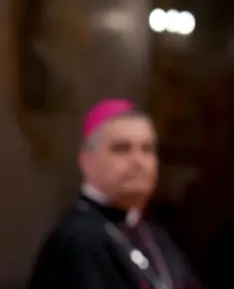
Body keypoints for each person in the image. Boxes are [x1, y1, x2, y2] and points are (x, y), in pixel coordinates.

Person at [28, 99, 198, 289]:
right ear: (86, 160)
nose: (138, 161)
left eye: (147, 149)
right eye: (122, 149)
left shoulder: (156, 235)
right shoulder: (77, 240)